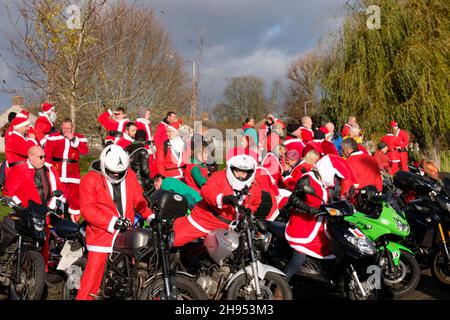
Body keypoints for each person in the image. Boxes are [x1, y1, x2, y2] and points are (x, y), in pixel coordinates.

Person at [76, 144, 154, 300]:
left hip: (127, 230)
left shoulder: (130, 175)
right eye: (113, 172)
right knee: (93, 276)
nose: (117, 176)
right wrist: (112, 221)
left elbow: (139, 199)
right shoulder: (90, 179)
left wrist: (151, 217)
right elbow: (88, 209)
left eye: (120, 173)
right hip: (102, 233)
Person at [171, 149, 262, 247]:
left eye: (244, 172)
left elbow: (254, 204)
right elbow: (207, 190)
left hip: (230, 228)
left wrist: (245, 215)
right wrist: (222, 199)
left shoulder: (254, 188)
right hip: (205, 219)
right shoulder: (219, 177)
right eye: (237, 171)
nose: (240, 175)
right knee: (174, 240)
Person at [3, 146, 65, 271]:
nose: (43, 159)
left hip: (44, 215)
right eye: (40, 157)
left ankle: (42, 274)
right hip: (24, 214)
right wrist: (20, 206)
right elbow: (8, 192)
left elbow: (58, 190)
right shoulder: (20, 170)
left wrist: (52, 208)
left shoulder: (49, 170)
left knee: (44, 247)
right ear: (30, 157)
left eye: (44, 156)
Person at [43, 118, 89, 222]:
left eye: (68, 128)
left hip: (73, 175)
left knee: (75, 201)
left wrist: (73, 139)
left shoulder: (79, 138)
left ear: (73, 128)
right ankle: (57, 223)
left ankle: (74, 224)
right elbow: (47, 155)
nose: (66, 130)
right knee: (56, 199)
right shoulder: (53, 138)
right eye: (64, 128)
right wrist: (48, 172)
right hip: (57, 174)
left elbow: (84, 151)